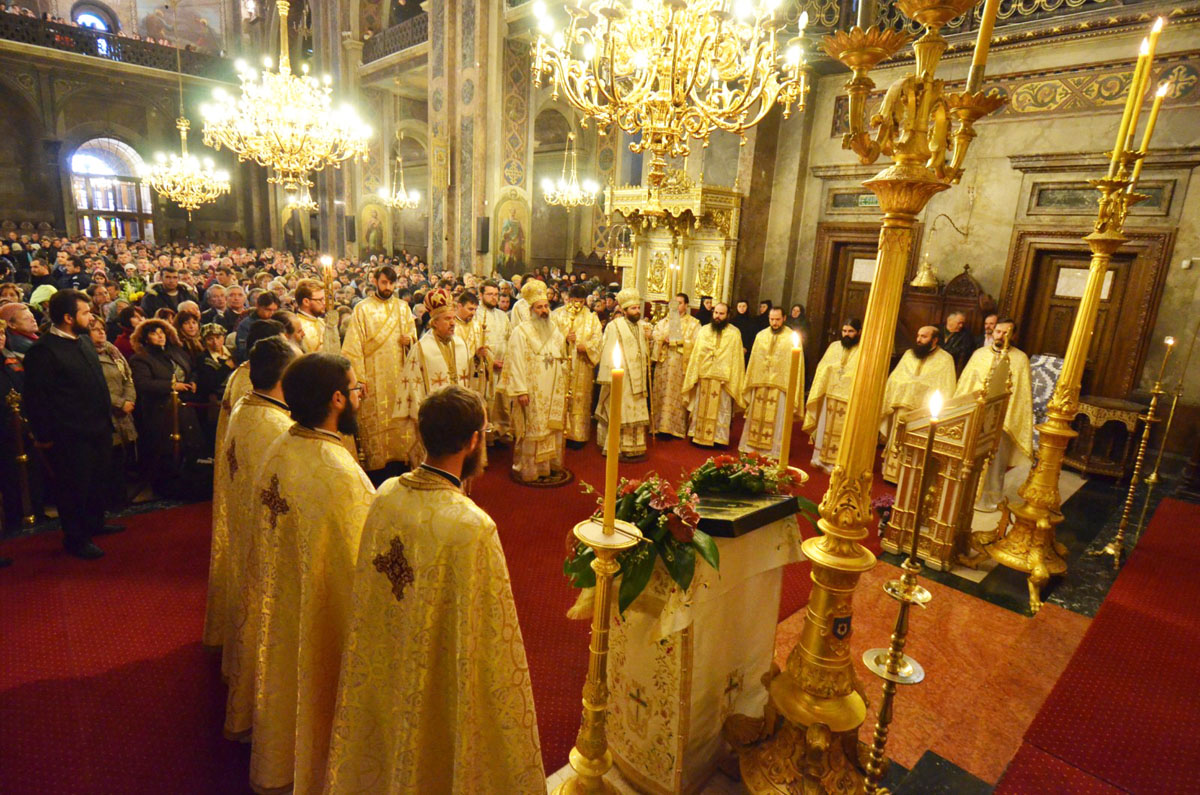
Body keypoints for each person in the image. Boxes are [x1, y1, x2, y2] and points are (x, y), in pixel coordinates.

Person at [324, 385, 544, 793]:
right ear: (475, 441)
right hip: (438, 674)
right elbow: (494, 641)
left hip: (387, 657)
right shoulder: (472, 526)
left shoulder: (386, 494)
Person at [250, 353, 374, 795]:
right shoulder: (340, 473)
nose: (362, 398)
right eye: (358, 390)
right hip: (323, 623)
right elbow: (365, 569)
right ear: (338, 399)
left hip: (280, 601)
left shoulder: (280, 447)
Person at [216, 337, 298, 741]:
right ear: (285, 376)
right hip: (268, 547)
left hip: (246, 527)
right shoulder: (278, 430)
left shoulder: (248, 407)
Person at [22, 289, 121, 559]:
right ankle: (76, 538)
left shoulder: (84, 342)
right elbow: (36, 398)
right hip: (70, 434)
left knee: (97, 481)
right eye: (86, 313)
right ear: (68, 317)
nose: (91, 318)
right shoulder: (43, 352)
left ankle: (95, 523)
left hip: (98, 427)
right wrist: (44, 435)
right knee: (74, 486)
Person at [341, 265, 416, 477]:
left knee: (399, 419)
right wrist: (360, 379)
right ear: (375, 281)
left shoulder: (403, 308)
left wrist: (409, 341)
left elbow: (414, 338)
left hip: (398, 376)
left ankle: (401, 462)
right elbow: (353, 348)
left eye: (392, 283)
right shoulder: (362, 309)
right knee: (375, 422)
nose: (388, 287)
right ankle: (377, 468)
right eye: (384, 282)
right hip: (373, 376)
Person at [955, 318, 1033, 511]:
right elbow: (966, 384)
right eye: (998, 331)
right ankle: (964, 496)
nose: (1000, 336)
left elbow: (1021, 393)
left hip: (1002, 419)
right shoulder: (979, 355)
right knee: (969, 457)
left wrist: (1006, 417)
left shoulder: (1020, 358)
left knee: (996, 461)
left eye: (1006, 333)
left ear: (1013, 335)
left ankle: (990, 498)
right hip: (977, 415)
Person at [395, 288, 471, 472]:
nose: (453, 323)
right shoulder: (421, 349)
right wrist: (420, 416)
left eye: (453, 318)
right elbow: (412, 384)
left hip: (459, 415)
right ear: (434, 323)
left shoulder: (461, 345)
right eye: (447, 319)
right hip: (435, 418)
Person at [501, 279, 569, 482]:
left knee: (551, 427)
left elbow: (562, 357)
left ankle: (549, 466)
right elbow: (516, 362)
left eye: (546, 306)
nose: (544, 310)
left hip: (553, 388)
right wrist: (521, 390)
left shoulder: (555, 331)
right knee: (532, 428)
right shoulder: (520, 332)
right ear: (531, 309)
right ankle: (529, 469)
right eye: (539, 307)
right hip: (532, 389)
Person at [880, 325, 958, 481]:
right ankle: (891, 475)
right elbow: (895, 378)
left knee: (916, 446)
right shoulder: (909, 354)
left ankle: (910, 479)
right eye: (918, 335)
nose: (918, 339)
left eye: (924, 336)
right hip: (902, 408)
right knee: (897, 439)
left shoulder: (945, 359)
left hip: (924, 413)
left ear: (935, 340)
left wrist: (919, 387)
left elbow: (946, 387)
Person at [129, 318, 197, 482]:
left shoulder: (176, 352)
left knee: (189, 445)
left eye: (162, 333)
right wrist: (172, 386)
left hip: (184, 406)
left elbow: (191, 369)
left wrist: (193, 381)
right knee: (165, 450)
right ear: (146, 338)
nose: (160, 337)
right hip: (160, 410)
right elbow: (143, 383)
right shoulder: (141, 358)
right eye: (154, 333)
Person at [741, 306, 804, 459]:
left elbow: (797, 364)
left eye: (777, 319)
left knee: (777, 419)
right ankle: (751, 447)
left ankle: (774, 452)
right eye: (771, 319)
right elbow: (754, 360)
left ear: (784, 318)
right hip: (760, 383)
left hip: (780, 387)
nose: (774, 323)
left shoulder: (792, 337)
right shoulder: (761, 336)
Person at [596, 288, 651, 460]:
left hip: (639, 379)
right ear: (625, 310)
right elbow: (608, 351)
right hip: (623, 378)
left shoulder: (642, 327)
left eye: (638, 308)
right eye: (633, 309)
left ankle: (636, 448)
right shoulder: (615, 326)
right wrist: (609, 377)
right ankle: (617, 447)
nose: (637, 311)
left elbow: (644, 353)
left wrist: (650, 340)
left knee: (636, 411)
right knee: (621, 411)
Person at [682, 302, 746, 447]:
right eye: (716, 313)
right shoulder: (704, 331)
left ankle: (718, 439)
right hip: (704, 377)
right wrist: (694, 375)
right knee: (700, 407)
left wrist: (731, 379)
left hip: (723, 381)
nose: (717, 316)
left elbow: (736, 360)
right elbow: (696, 355)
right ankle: (697, 435)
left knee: (721, 411)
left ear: (727, 315)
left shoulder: (734, 333)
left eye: (721, 314)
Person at [89, 317, 137, 509]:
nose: (101, 332)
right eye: (95, 330)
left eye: (102, 329)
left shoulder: (113, 352)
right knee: (106, 460)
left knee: (120, 458)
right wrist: (119, 403)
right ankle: (108, 501)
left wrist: (129, 399)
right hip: (105, 414)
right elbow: (94, 387)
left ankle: (120, 498)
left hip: (124, 412)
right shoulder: (87, 356)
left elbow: (128, 378)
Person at [803, 318, 862, 472]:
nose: (847, 334)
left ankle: (839, 463)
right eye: (844, 331)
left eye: (851, 331)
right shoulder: (834, 346)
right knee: (825, 428)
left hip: (848, 398)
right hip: (830, 395)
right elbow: (823, 367)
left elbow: (862, 374)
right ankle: (820, 459)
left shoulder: (864, 350)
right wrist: (832, 369)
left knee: (844, 431)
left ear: (858, 332)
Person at [552, 283, 602, 445]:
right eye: (575, 301)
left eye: (581, 301)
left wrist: (586, 347)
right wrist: (565, 339)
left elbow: (598, 340)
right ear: (568, 298)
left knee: (580, 399)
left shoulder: (591, 317)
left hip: (582, 366)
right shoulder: (557, 315)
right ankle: (560, 432)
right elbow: (549, 337)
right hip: (562, 365)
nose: (578, 305)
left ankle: (578, 435)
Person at [650, 292, 700, 438]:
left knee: (676, 396)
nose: (676, 305)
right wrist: (662, 339)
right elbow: (656, 335)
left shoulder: (693, 323)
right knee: (661, 393)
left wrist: (679, 341)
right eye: (674, 302)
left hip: (680, 364)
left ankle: (674, 427)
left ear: (686, 305)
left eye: (680, 303)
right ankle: (658, 426)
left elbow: (696, 344)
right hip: (663, 363)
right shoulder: (664, 321)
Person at [477, 278, 511, 442]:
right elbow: (476, 342)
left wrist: (506, 361)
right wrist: (491, 362)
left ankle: (501, 431)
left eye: (496, 294)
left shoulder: (502, 316)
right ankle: (487, 436)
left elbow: (509, 339)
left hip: (502, 365)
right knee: (486, 400)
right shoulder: (475, 314)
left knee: (501, 400)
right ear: (481, 295)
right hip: (483, 367)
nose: (494, 298)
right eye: (489, 294)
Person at [293, 278, 339, 354]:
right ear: (306, 302)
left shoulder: (321, 321)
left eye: (324, 299)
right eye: (320, 300)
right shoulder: (297, 326)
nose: (324, 303)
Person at [234, 291, 280, 360]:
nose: (272, 313)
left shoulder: (277, 322)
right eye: (268, 309)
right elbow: (243, 351)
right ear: (258, 306)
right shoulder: (246, 325)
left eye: (274, 310)